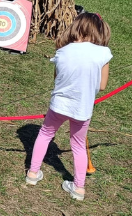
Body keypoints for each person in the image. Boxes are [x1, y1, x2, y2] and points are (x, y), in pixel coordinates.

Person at [25, 13, 110, 201]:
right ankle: (79, 188)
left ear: (76, 28)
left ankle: (32, 173)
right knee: (78, 145)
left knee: (45, 134)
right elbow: (102, 86)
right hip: (82, 109)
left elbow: (57, 78)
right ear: (98, 31)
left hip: (58, 105)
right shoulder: (103, 53)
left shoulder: (62, 51)